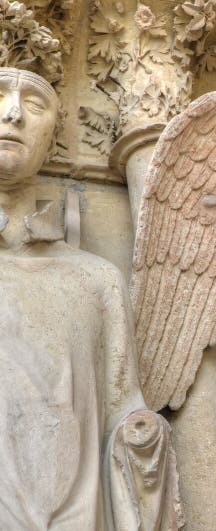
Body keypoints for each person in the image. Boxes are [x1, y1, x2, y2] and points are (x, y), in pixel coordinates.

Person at [0, 67, 181, 530]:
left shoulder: (95, 278)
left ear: (53, 137)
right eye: (0, 97)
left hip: (76, 510)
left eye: (35, 105)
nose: (14, 113)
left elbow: (124, 404)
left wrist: (142, 434)